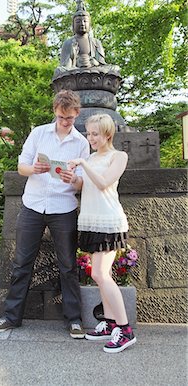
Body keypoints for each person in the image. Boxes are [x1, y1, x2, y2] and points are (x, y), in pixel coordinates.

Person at [0, 90, 89, 338]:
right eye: (61, 116)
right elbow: (21, 166)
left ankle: (74, 320)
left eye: (70, 118)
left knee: (67, 266)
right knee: (22, 263)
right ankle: (11, 317)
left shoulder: (81, 143)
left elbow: (83, 184)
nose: (65, 122)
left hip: (63, 208)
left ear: (76, 114)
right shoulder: (39, 133)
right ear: (55, 111)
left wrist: (73, 179)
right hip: (33, 205)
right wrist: (35, 168)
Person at [68, 113, 136, 353]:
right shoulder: (90, 157)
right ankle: (109, 324)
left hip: (109, 222)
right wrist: (72, 178)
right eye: (89, 133)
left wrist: (84, 164)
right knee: (101, 274)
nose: (90, 138)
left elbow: (104, 182)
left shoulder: (119, 156)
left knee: (100, 274)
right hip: (90, 220)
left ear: (108, 134)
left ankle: (125, 330)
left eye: (95, 134)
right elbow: (84, 185)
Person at [53, 0, 120, 79]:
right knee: (59, 71)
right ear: (73, 25)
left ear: (90, 25)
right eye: (78, 22)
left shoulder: (96, 42)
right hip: (76, 71)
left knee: (115, 69)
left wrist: (93, 62)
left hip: (93, 70)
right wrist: (73, 58)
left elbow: (102, 63)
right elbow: (65, 66)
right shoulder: (68, 43)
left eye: (85, 21)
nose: (82, 24)